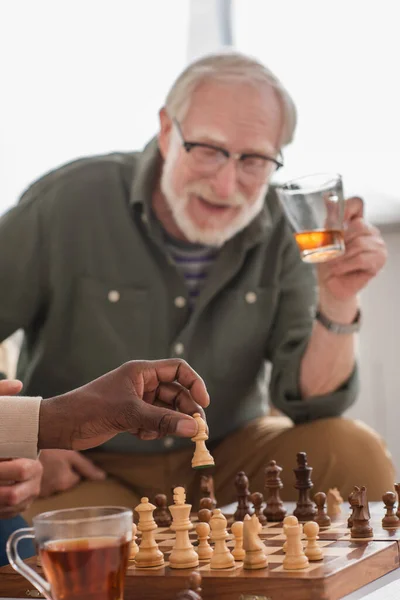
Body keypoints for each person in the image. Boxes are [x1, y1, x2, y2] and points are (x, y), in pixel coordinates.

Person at [0, 51, 394, 519]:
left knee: (354, 452)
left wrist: (338, 296)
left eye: (254, 159)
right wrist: (29, 436)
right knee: (66, 537)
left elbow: (311, 404)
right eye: (208, 149)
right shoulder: (67, 202)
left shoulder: (288, 226)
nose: (226, 186)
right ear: (168, 131)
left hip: (229, 454)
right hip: (93, 467)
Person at [0, 361, 208, 564]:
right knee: (22, 548)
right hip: (93, 467)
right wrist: (39, 431)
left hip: (222, 448)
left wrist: (35, 427)